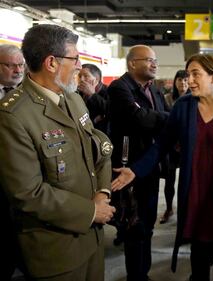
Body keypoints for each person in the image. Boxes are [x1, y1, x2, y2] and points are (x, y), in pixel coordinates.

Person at [111, 53, 213, 281]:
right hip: (198, 201)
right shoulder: (184, 107)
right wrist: (136, 169)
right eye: (188, 74)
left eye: (196, 74)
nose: (189, 80)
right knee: (199, 266)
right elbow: (162, 144)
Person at [0, 24, 115, 281]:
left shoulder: (72, 98)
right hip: (57, 251)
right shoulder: (13, 115)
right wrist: (90, 211)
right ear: (51, 63)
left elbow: (98, 148)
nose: (80, 66)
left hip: (93, 238)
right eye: (74, 58)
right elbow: (27, 192)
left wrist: (103, 192)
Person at [107, 44, 169, 280]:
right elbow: (140, 118)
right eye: (149, 60)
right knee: (134, 227)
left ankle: (144, 273)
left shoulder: (155, 89)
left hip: (149, 167)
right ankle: (137, 276)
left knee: (149, 224)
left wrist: (164, 119)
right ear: (132, 63)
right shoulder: (119, 88)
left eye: (156, 60)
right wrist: (172, 119)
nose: (154, 64)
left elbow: (157, 117)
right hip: (128, 169)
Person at [0, 44, 26, 281]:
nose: (17, 70)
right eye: (10, 65)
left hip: (26, 175)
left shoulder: (30, 93)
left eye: (21, 65)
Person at [160, 69, 189, 224]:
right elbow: (166, 121)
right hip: (172, 146)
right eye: (180, 80)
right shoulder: (167, 98)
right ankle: (169, 208)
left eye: (185, 80)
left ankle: (185, 211)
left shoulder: (195, 98)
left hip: (187, 146)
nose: (183, 83)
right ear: (175, 81)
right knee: (169, 180)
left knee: (187, 180)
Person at [78, 63, 109, 133]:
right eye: (80, 76)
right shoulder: (78, 92)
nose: (81, 79)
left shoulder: (109, 91)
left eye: (86, 76)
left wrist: (93, 95)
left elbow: (111, 111)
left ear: (96, 79)